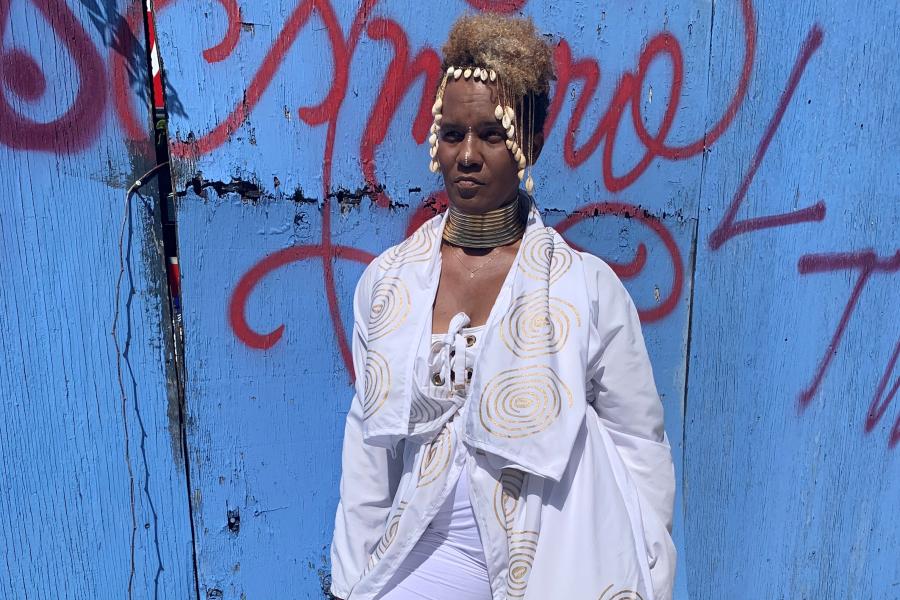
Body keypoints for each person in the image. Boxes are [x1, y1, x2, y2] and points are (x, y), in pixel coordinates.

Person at [330, 13, 675, 600]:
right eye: (453, 133)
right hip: (422, 550)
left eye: (492, 134)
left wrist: (651, 575)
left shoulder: (586, 290)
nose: (468, 155)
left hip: (554, 555)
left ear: (529, 145)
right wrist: (347, 581)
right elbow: (368, 446)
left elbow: (639, 449)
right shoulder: (389, 284)